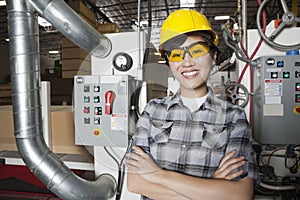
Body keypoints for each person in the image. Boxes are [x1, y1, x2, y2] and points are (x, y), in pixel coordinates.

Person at [125, 9, 258, 200]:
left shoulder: (233, 117)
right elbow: (135, 183)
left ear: (213, 57)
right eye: (177, 54)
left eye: (197, 50)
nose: (187, 62)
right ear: (170, 64)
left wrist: (158, 174)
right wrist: (211, 188)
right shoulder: (153, 110)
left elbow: (240, 194)